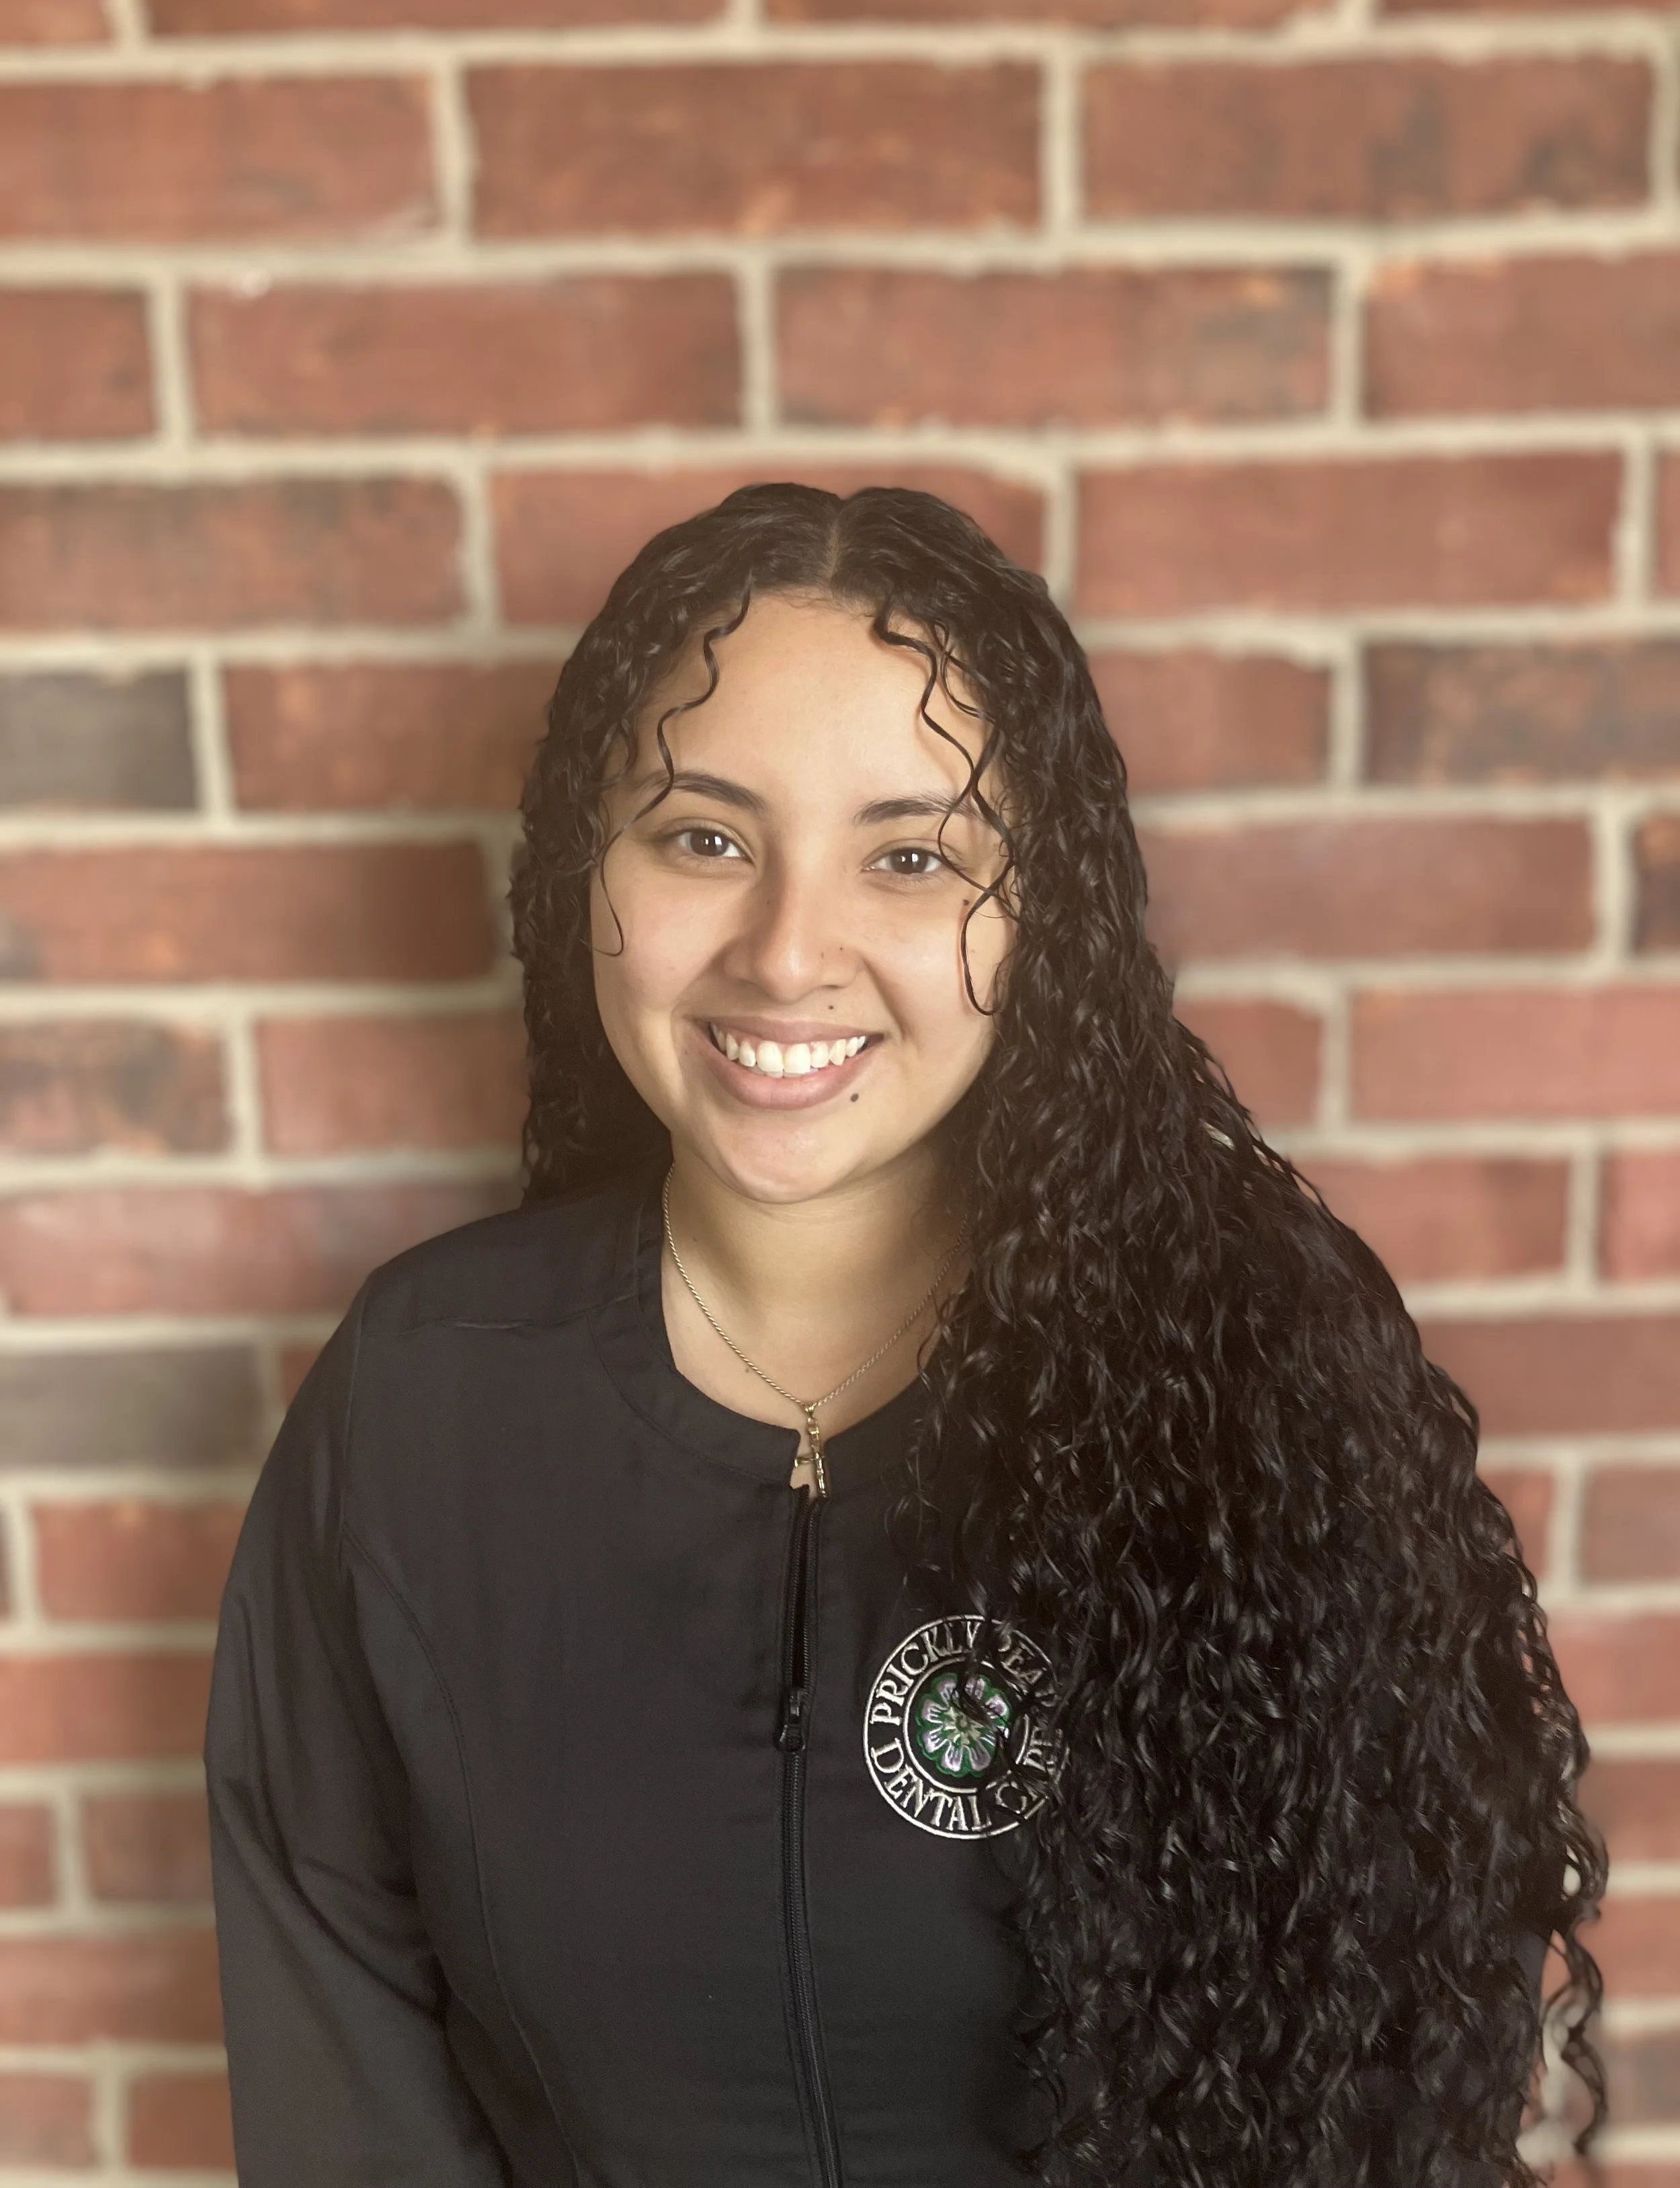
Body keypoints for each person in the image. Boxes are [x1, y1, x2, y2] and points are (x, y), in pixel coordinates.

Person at [204, 482, 1607, 2188]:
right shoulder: (419, 1408)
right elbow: (343, 2089)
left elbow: (1397, 2090)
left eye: (912, 855)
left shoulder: (1262, 1410)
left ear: (1043, 924)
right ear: (589, 872)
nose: (788, 953)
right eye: (703, 836)